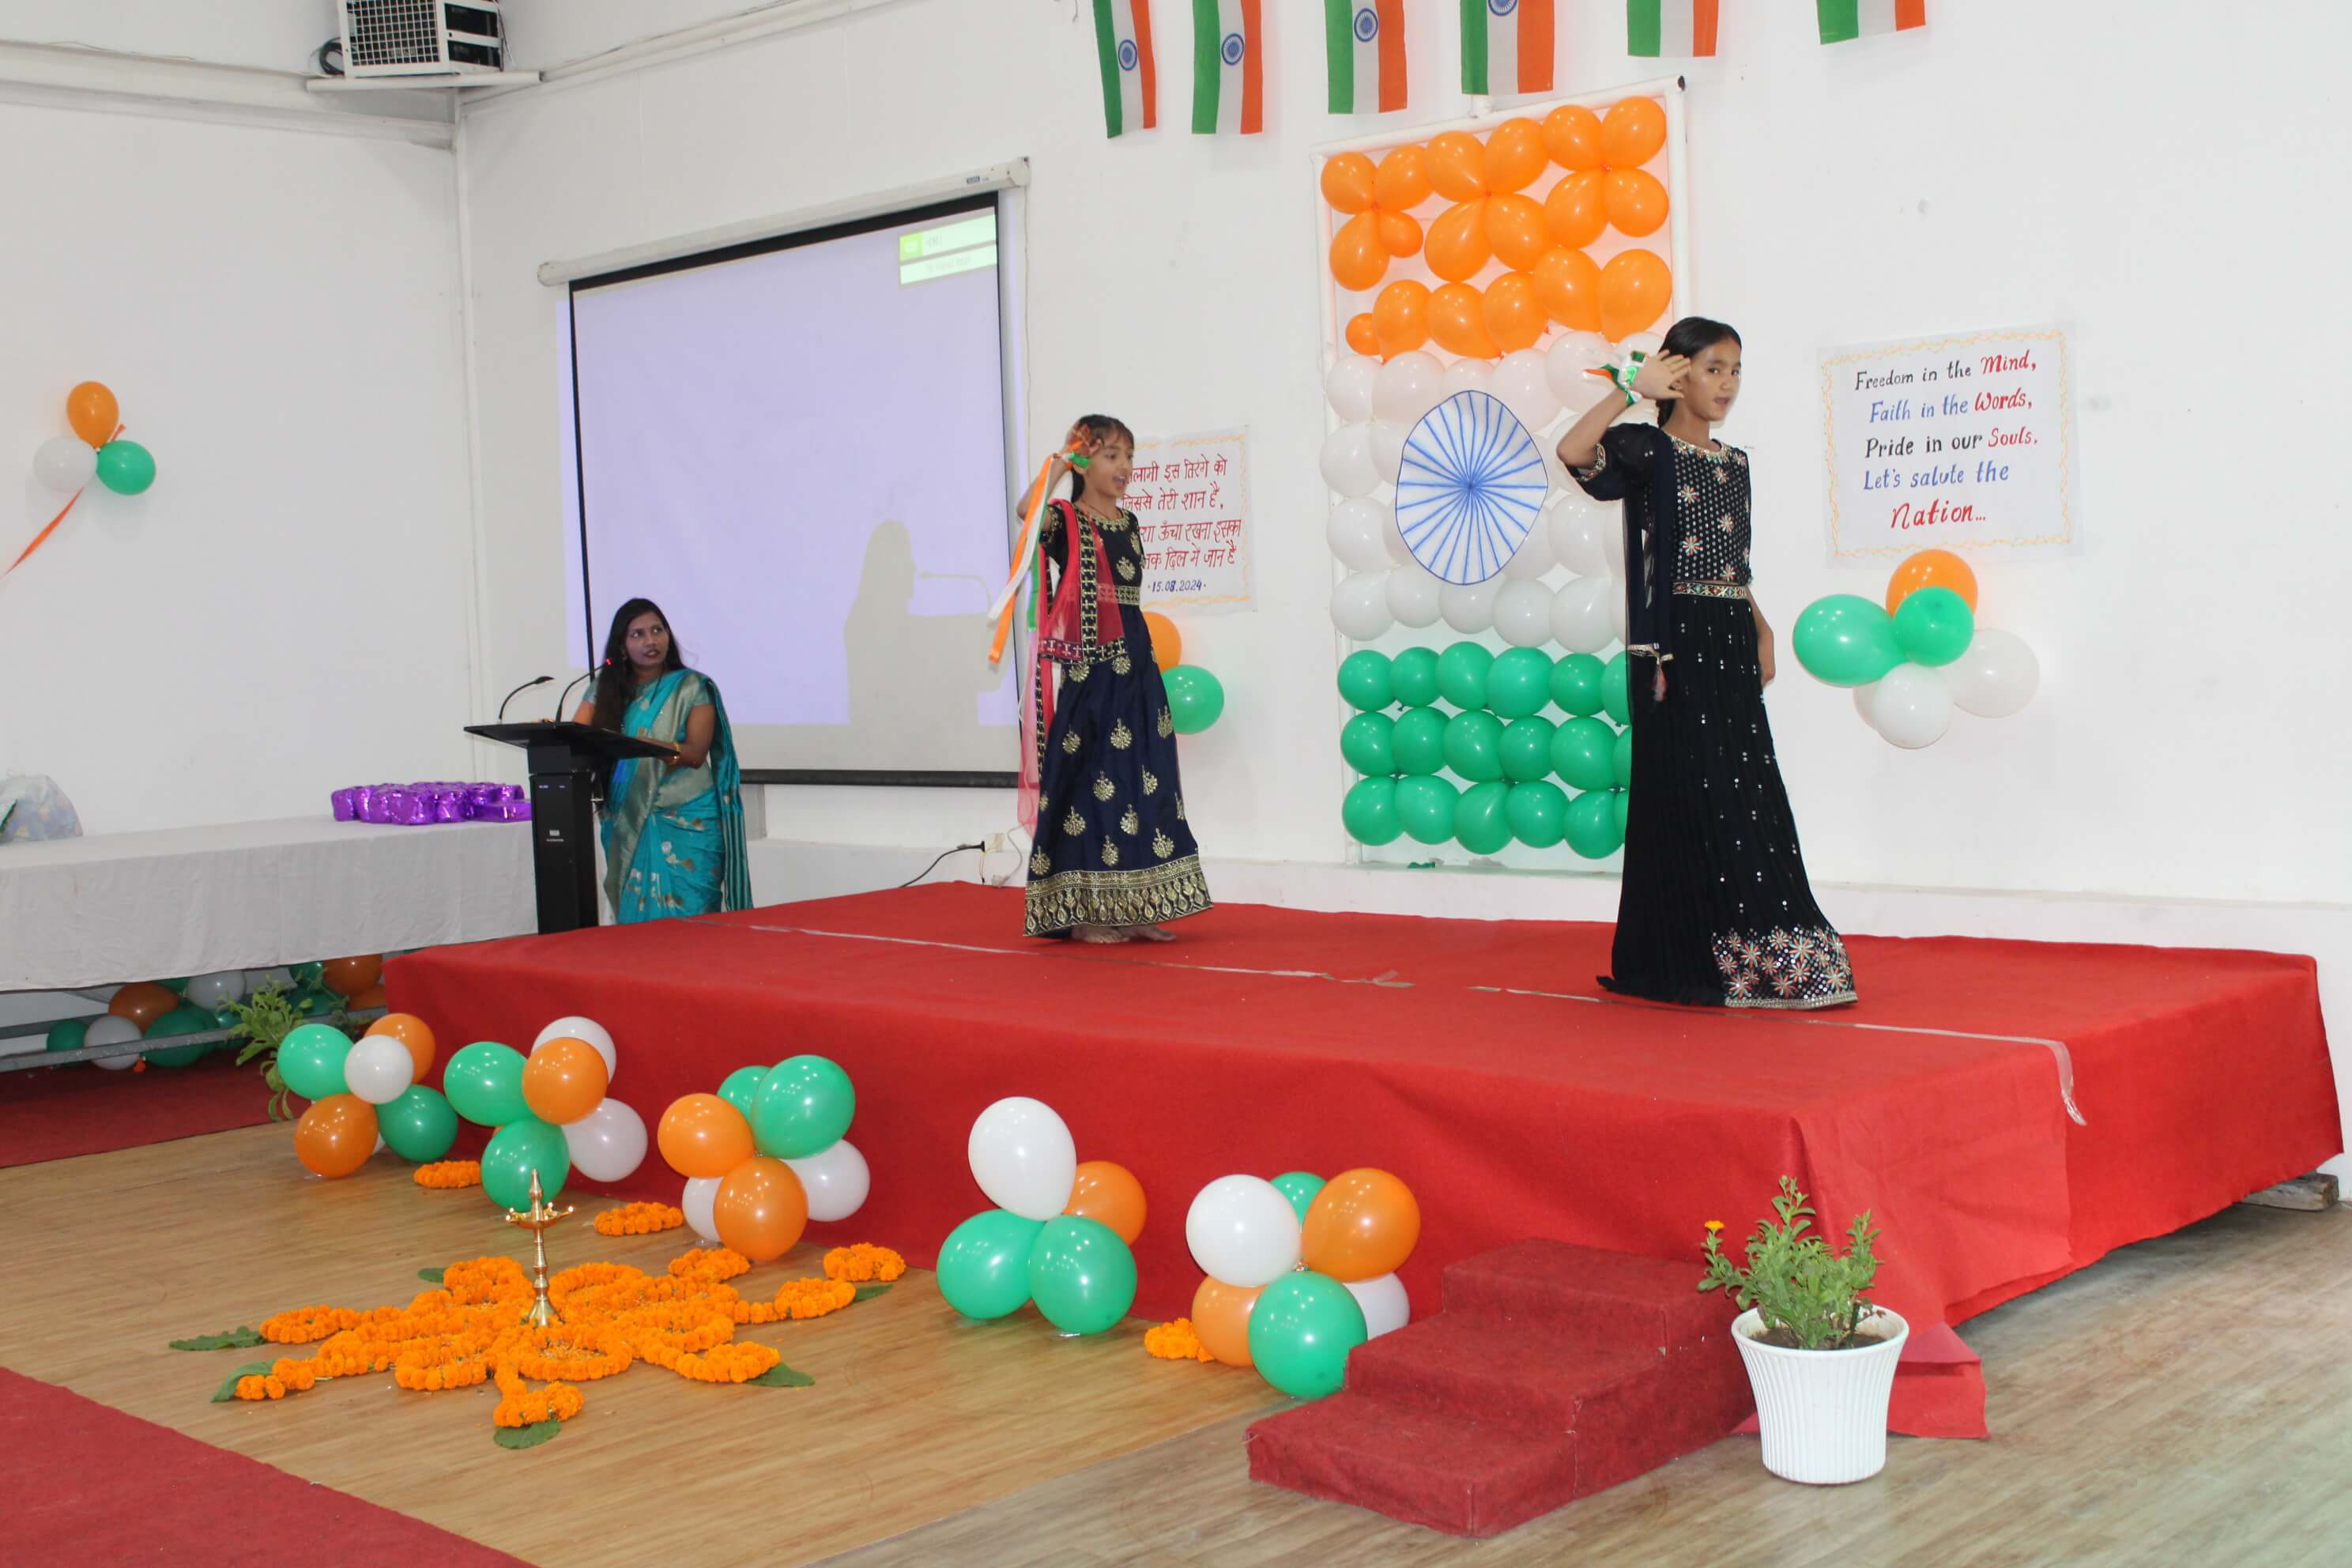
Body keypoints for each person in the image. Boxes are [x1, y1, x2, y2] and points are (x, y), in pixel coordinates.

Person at [1556, 318, 1855, 1008]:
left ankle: (1766, 948)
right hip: (1673, 647)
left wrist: (1761, 625)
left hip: (1728, 634)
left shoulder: (1735, 463)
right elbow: (1574, 453)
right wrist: (1630, 390)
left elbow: (1730, 562)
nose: (1727, 384)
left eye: (1735, 370)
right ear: (1678, 372)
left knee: (1748, 788)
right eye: (1714, 369)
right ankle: (1687, 957)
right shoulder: (1645, 447)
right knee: (1686, 793)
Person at [1011, 416, 1212, 942]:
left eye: (1129, 456)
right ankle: (1087, 914)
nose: (1124, 467)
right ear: (1085, 461)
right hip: (1093, 669)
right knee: (1093, 781)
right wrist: (1059, 462)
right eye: (1111, 456)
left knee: (1144, 776)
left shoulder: (1130, 523)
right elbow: (1026, 512)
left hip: (1138, 666)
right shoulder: (1066, 520)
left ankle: (1136, 904)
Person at [571, 597, 751, 922]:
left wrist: (643, 745)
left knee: (695, 920)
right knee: (638, 930)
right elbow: (577, 738)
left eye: (657, 630)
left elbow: (695, 753)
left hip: (687, 817)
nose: (651, 641)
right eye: (638, 634)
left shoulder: (692, 687)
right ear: (622, 646)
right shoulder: (604, 690)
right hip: (627, 816)